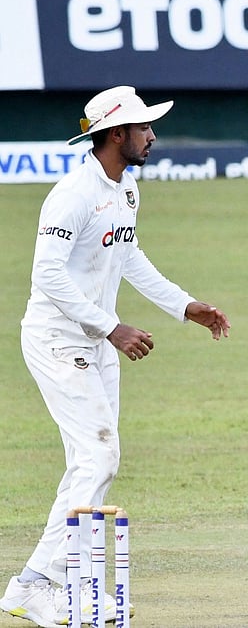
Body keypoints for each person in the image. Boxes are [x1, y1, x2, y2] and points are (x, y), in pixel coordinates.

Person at [2, 86, 231, 628]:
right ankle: (43, 584)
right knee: (100, 457)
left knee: (90, 462)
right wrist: (112, 327)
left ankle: (44, 583)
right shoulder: (72, 194)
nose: (152, 135)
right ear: (114, 134)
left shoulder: (126, 186)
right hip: (60, 340)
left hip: (96, 340)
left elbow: (129, 256)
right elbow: (47, 275)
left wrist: (184, 306)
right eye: (143, 127)